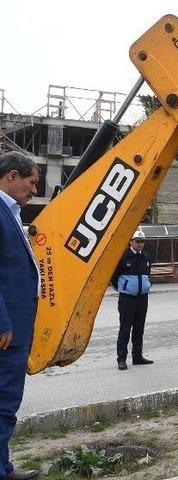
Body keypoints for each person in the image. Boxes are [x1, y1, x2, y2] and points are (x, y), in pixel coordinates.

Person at [0, 151, 42, 479]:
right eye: (31, 182)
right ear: (12, 176)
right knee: (3, 402)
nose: (34, 191)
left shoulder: (11, 212)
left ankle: (3, 467)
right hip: (6, 330)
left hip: (14, 327)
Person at [110, 229, 153, 371]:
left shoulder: (145, 257)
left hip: (142, 298)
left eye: (142, 241)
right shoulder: (123, 257)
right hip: (127, 299)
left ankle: (137, 356)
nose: (140, 244)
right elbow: (113, 276)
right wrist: (123, 288)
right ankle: (121, 359)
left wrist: (148, 284)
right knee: (125, 329)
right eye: (137, 241)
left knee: (139, 329)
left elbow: (148, 274)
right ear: (131, 242)